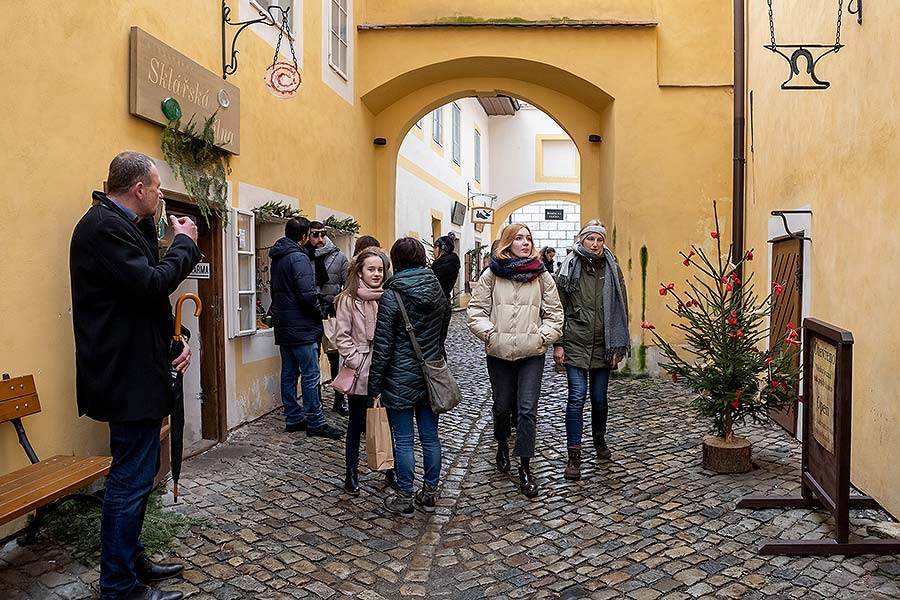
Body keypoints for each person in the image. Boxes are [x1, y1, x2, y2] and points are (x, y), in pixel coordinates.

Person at [70, 151, 200, 600]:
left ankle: (132, 559)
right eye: (158, 186)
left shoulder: (121, 225)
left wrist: (173, 342)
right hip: (124, 378)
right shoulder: (103, 227)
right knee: (129, 480)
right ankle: (119, 587)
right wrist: (183, 242)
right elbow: (151, 284)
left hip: (137, 370)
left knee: (139, 477)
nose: (163, 193)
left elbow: (142, 303)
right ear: (139, 188)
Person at [467, 224, 563, 498]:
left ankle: (524, 466)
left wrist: (541, 337)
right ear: (508, 243)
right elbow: (476, 312)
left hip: (531, 353)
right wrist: (491, 334)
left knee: (526, 410)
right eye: (519, 238)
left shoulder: (541, 276)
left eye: (528, 238)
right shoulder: (492, 274)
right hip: (499, 353)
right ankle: (500, 444)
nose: (525, 242)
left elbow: (555, 314)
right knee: (501, 408)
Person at [369, 238, 450, 516]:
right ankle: (429, 493)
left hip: (399, 377)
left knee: (403, 439)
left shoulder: (393, 294)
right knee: (430, 437)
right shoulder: (437, 288)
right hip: (430, 375)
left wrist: (375, 384)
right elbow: (442, 331)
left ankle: (404, 496)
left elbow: (383, 345)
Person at [554, 221, 630, 481]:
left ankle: (599, 440)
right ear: (582, 240)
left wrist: (619, 343)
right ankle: (573, 455)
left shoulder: (612, 267)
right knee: (577, 396)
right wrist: (558, 343)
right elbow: (558, 309)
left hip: (604, 343)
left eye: (599, 240)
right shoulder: (568, 267)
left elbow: (622, 305)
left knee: (599, 399)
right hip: (575, 339)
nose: (595, 244)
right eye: (590, 239)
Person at [270, 217, 342, 439]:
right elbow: (307, 295)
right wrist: (321, 310)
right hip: (301, 327)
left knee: (289, 374)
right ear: (303, 236)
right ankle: (315, 421)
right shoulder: (298, 258)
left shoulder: (278, 257)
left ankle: (292, 417)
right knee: (311, 375)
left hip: (284, 326)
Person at [333, 247, 388, 495]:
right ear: (360, 271)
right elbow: (341, 336)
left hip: (385, 367)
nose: (376, 274)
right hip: (361, 369)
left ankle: (390, 468)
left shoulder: (388, 296)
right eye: (371, 269)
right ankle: (351, 472)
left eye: (380, 269)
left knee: (386, 419)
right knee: (356, 423)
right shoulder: (347, 299)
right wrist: (356, 360)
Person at [307, 221, 351, 416]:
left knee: (336, 358)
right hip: (309, 313)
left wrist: (336, 302)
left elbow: (348, 285)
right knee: (312, 359)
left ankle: (339, 399)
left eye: (323, 234)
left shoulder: (339, 257)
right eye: (315, 235)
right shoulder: (304, 256)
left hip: (331, 314)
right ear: (308, 235)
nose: (320, 239)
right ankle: (315, 402)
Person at [431, 234, 461, 300]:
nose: (433, 250)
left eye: (436, 247)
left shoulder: (443, 266)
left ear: (443, 249)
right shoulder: (448, 263)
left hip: (438, 302)